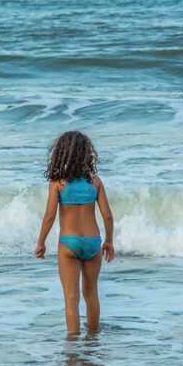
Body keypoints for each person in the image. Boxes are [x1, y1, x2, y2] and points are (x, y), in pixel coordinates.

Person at [34, 131, 115, 335]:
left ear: (61, 154)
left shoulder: (58, 183)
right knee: (91, 294)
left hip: (68, 243)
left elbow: (50, 217)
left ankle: (72, 346)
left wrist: (41, 242)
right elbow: (107, 216)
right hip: (93, 242)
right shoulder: (95, 182)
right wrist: (108, 241)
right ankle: (93, 340)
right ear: (88, 154)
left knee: (71, 297)